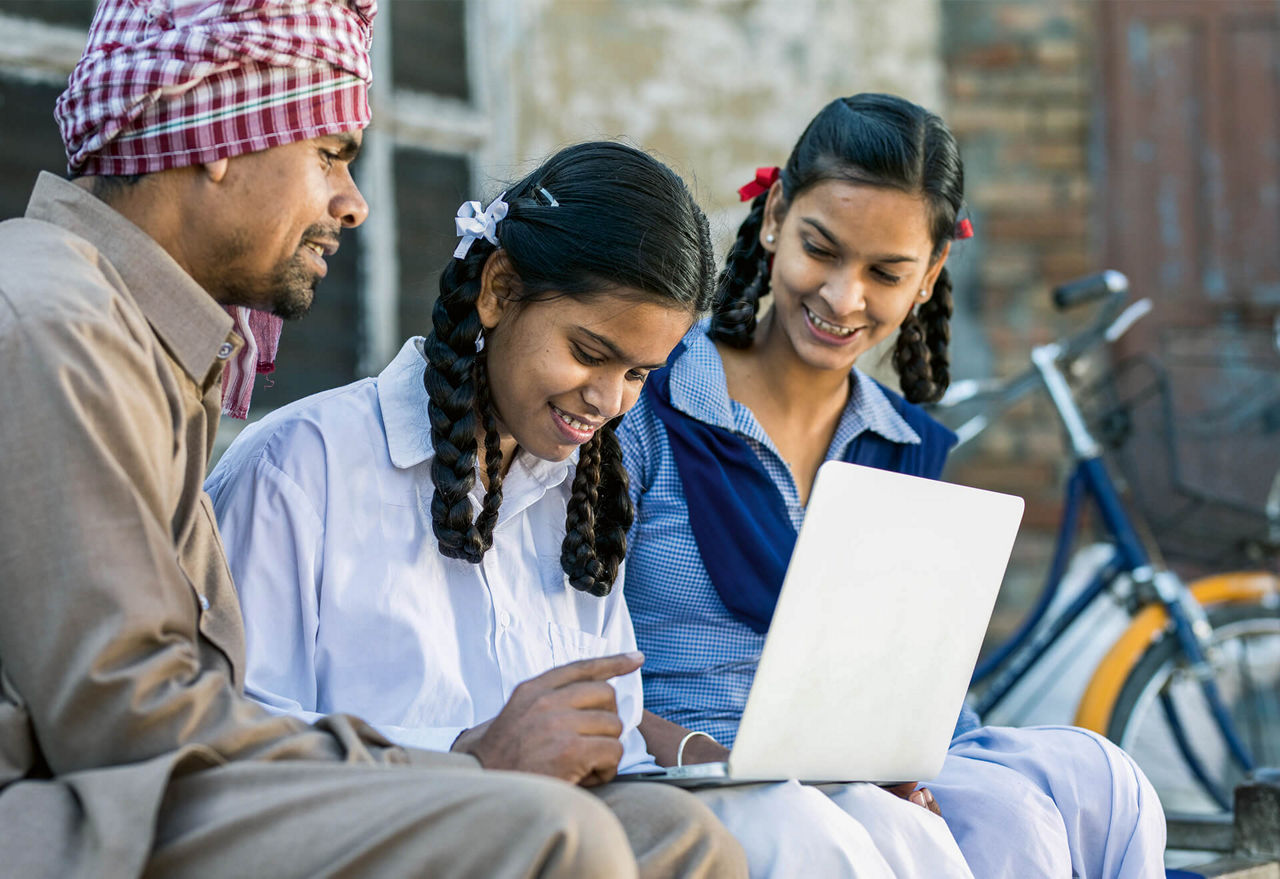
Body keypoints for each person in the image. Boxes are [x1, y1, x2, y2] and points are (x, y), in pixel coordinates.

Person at [0, 2, 744, 877]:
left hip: (172, 781)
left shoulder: (133, 337)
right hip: (83, 812)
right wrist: (458, 764)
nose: (353, 203)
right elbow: (129, 718)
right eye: (330, 155)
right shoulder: (59, 322)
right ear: (220, 132)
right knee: (555, 831)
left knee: (678, 835)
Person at [207, 139, 973, 879]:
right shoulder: (299, 470)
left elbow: (620, 749)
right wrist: (467, 755)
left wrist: (758, 772)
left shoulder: (578, 495)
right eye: (588, 352)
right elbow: (223, 754)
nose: (609, 402)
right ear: (499, 290)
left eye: (640, 373)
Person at [617, 93, 1169, 878]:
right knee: (873, 829)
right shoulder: (649, 403)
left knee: (1096, 780)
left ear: (929, 275)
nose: (843, 298)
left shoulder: (902, 443)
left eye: (885, 272)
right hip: (705, 771)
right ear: (774, 214)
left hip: (864, 767)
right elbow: (568, 648)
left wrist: (911, 758)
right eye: (822, 248)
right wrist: (713, 752)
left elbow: (915, 685)